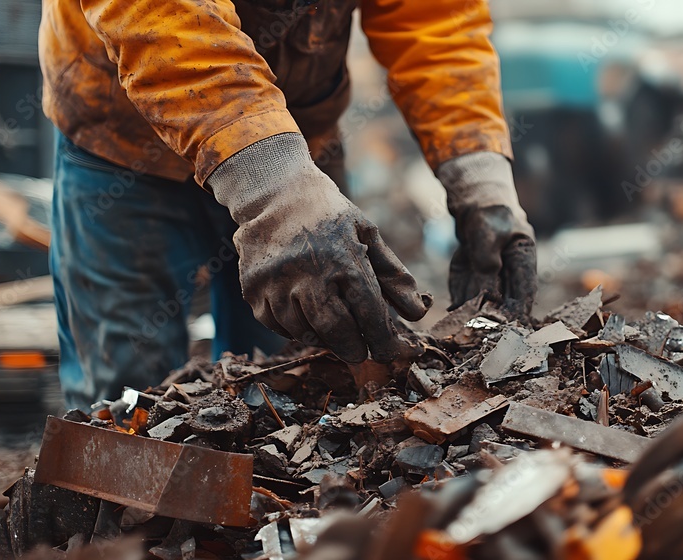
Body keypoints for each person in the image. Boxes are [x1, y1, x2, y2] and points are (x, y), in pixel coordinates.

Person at [40, 0, 537, 411]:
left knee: (297, 386)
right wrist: (270, 185)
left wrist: (478, 175)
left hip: (301, 139)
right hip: (124, 142)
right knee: (125, 409)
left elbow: (432, 17)